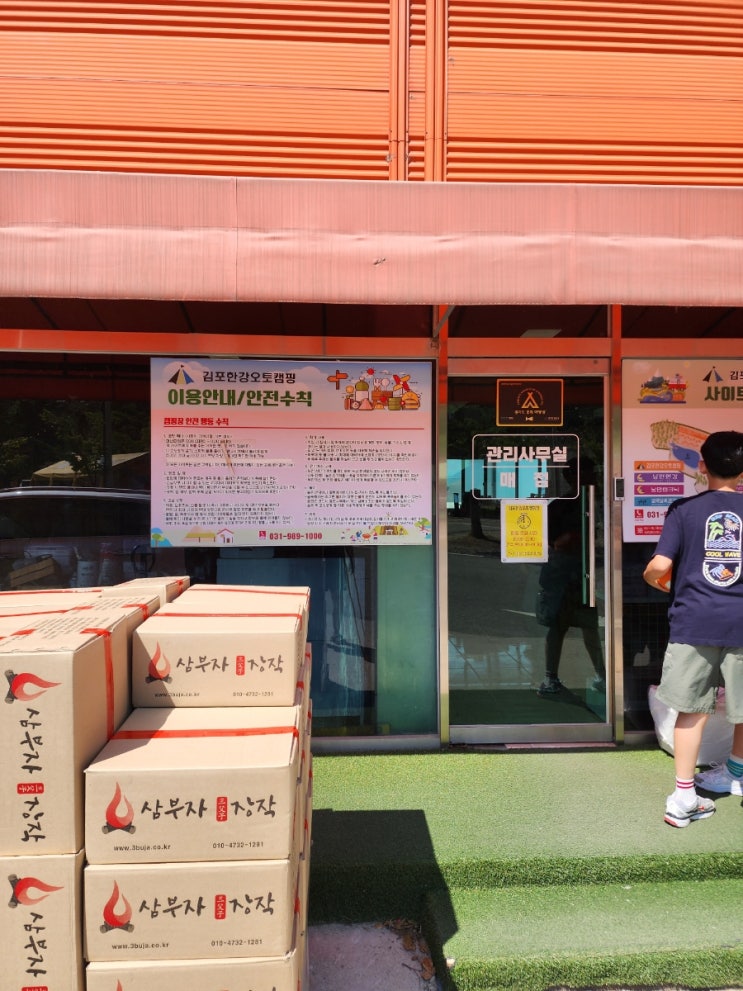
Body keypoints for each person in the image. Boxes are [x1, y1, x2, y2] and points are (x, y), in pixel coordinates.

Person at [643, 430, 743, 827]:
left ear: (702, 466)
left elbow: (659, 567)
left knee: (690, 709)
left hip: (695, 621)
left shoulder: (683, 509)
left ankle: (684, 796)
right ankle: (736, 773)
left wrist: (660, 583)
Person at [537, 457, 605, 696]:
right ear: (572, 477)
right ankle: (550, 678)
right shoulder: (561, 506)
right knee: (558, 626)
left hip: (583, 575)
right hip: (563, 576)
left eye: (593, 471)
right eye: (588, 472)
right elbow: (555, 543)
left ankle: (602, 676)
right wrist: (579, 537)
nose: (593, 476)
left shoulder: (597, 501)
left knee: (589, 627)